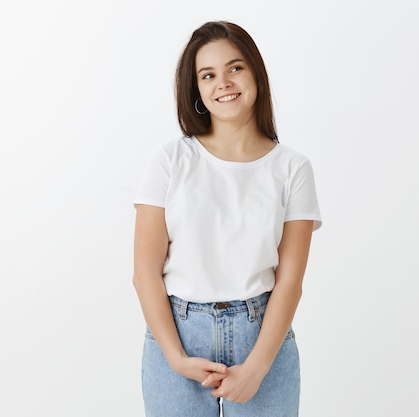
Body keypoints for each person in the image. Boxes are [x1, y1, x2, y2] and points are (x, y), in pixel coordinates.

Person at [131, 20, 322, 417]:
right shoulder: (170, 161)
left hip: (263, 337)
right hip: (178, 334)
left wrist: (257, 367)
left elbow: (290, 281)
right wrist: (177, 359)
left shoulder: (292, 168)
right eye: (208, 75)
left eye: (235, 68)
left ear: (255, 74)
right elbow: (145, 273)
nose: (224, 83)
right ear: (197, 89)